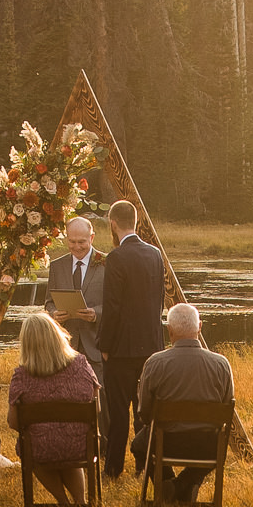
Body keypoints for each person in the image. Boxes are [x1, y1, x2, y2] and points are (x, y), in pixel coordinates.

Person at [132, 301, 233, 501]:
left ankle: (170, 486)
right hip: (207, 445)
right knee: (219, 446)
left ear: (169, 331)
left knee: (139, 445)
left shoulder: (155, 363)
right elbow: (227, 406)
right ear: (200, 327)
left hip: (166, 442)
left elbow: (144, 412)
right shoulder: (221, 364)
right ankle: (186, 484)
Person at [95, 198, 165, 476]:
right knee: (144, 410)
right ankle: (144, 465)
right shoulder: (155, 254)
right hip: (151, 345)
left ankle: (113, 468)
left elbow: (112, 306)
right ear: (135, 223)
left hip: (121, 349)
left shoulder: (117, 257)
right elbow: (158, 302)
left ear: (113, 224)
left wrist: (105, 345)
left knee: (118, 411)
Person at [6, 310, 102, 507]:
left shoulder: (21, 376)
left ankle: (64, 502)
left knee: (36, 446)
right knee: (64, 442)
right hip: (82, 445)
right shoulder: (81, 365)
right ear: (57, 334)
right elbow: (96, 408)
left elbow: (14, 422)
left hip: (39, 449)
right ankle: (80, 502)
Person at [46, 214, 106, 368]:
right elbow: (49, 302)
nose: (77, 247)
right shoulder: (57, 266)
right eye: (72, 242)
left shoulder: (107, 263)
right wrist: (54, 314)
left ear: (91, 238)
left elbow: (117, 304)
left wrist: (96, 313)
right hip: (65, 348)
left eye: (81, 242)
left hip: (97, 347)